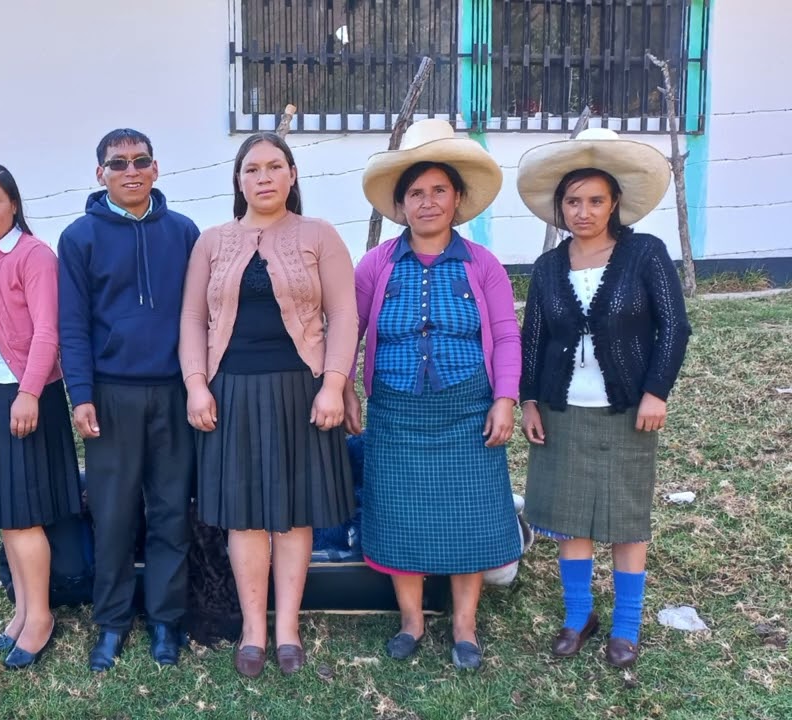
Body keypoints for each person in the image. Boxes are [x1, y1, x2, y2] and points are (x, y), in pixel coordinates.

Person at [180, 132, 358, 678]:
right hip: (229, 389)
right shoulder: (212, 241)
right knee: (244, 513)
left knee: (293, 512)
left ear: (292, 175)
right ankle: (254, 629)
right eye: (252, 168)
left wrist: (333, 384)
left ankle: (288, 629)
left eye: (274, 166)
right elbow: (191, 319)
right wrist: (195, 384)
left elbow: (345, 316)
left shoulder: (319, 235)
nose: (263, 177)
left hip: (300, 391)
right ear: (238, 180)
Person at [516, 128, 691, 668]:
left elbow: (674, 327)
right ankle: (578, 616)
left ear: (614, 203)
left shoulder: (644, 253)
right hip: (562, 408)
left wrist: (655, 392)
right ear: (559, 208)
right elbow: (533, 339)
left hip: (626, 410)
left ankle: (626, 627)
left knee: (623, 517)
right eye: (573, 201)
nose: (583, 211)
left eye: (595, 200)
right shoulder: (548, 267)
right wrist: (528, 401)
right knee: (570, 519)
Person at [354, 119, 522, 671]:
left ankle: (465, 627)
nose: (427, 203)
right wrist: (342, 388)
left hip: (467, 410)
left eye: (438, 192)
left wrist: (505, 398)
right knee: (400, 514)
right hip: (396, 410)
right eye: (415, 194)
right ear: (400, 205)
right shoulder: (376, 265)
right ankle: (412, 621)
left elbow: (503, 334)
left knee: (469, 516)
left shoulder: (484, 265)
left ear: (457, 200)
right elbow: (347, 332)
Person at [57, 128, 200, 671]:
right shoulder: (79, 238)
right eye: (118, 164)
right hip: (112, 395)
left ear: (156, 169)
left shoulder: (185, 233)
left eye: (140, 161)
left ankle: (166, 620)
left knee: (169, 512)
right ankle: (112, 622)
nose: (131, 171)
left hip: (173, 392)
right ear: (101, 174)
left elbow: (202, 317)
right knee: (113, 516)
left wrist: (197, 385)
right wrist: (81, 395)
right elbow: (73, 325)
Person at [0, 163, 82, 670]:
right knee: (6, 512)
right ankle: (23, 608)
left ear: (13, 204)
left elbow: (49, 332)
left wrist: (28, 392)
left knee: (24, 514)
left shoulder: (33, 255)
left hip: (21, 393)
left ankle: (41, 616)